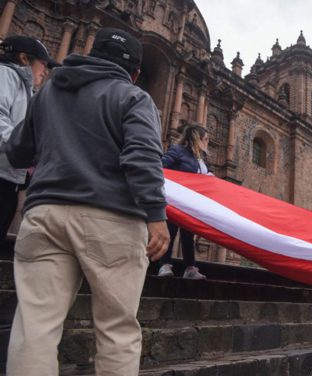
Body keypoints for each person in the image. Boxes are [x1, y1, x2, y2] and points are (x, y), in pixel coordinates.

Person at [4, 27, 170, 376]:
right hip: (114, 220)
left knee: (35, 326)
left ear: (92, 54)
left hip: (45, 215)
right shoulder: (135, 98)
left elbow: (18, 151)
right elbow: (142, 157)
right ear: (135, 72)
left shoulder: (49, 90)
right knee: (116, 330)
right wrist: (156, 214)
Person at [0, 35, 56, 245]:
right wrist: (25, 149)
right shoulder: (6, 75)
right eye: (43, 64)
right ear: (24, 59)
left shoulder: (26, 88)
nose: (45, 70)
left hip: (9, 177)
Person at [157, 124, 209, 279]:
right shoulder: (177, 150)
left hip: (191, 204)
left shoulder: (201, 158)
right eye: (205, 138)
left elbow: (206, 174)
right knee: (170, 232)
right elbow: (162, 165)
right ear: (196, 138)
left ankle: (190, 268)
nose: (207, 142)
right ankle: (164, 265)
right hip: (174, 201)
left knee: (188, 236)